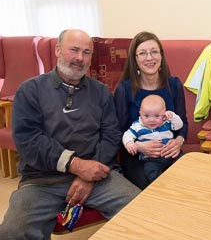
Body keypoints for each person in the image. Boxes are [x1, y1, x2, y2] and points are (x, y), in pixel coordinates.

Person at [0, 29, 140, 240]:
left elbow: (111, 135)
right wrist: (76, 165)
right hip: (42, 181)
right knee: (12, 233)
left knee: (142, 211)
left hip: (97, 176)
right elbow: (29, 142)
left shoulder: (101, 92)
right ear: (58, 50)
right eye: (73, 50)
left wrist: (90, 174)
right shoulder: (30, 90)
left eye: (86, 52)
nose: (79, 58)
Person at [114, 31, 187, 189]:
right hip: (138, 157)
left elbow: (183, 121)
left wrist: (178, 141)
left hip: (170, 151)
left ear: (161, 56)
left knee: (187, 181)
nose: (149, 58)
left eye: (154, 52)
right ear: (135, 59)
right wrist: (139, 146)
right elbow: (117, 131)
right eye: (142, 53)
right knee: (157, 188)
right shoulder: (124, 90)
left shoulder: (174, 85)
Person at [123, 94, 183, 183]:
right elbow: (127, 135)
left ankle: (181, 182)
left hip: (171, 154)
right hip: (151, 159)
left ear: (164, 114)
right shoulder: (138, 126)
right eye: (146, 116)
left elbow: (179, 126)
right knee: (150, 173)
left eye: (156, 116)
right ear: (140, 113)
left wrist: (173, 116)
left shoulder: (166, 122)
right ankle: (162, 185)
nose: (151, 120)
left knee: (184, 163)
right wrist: (129, 143)